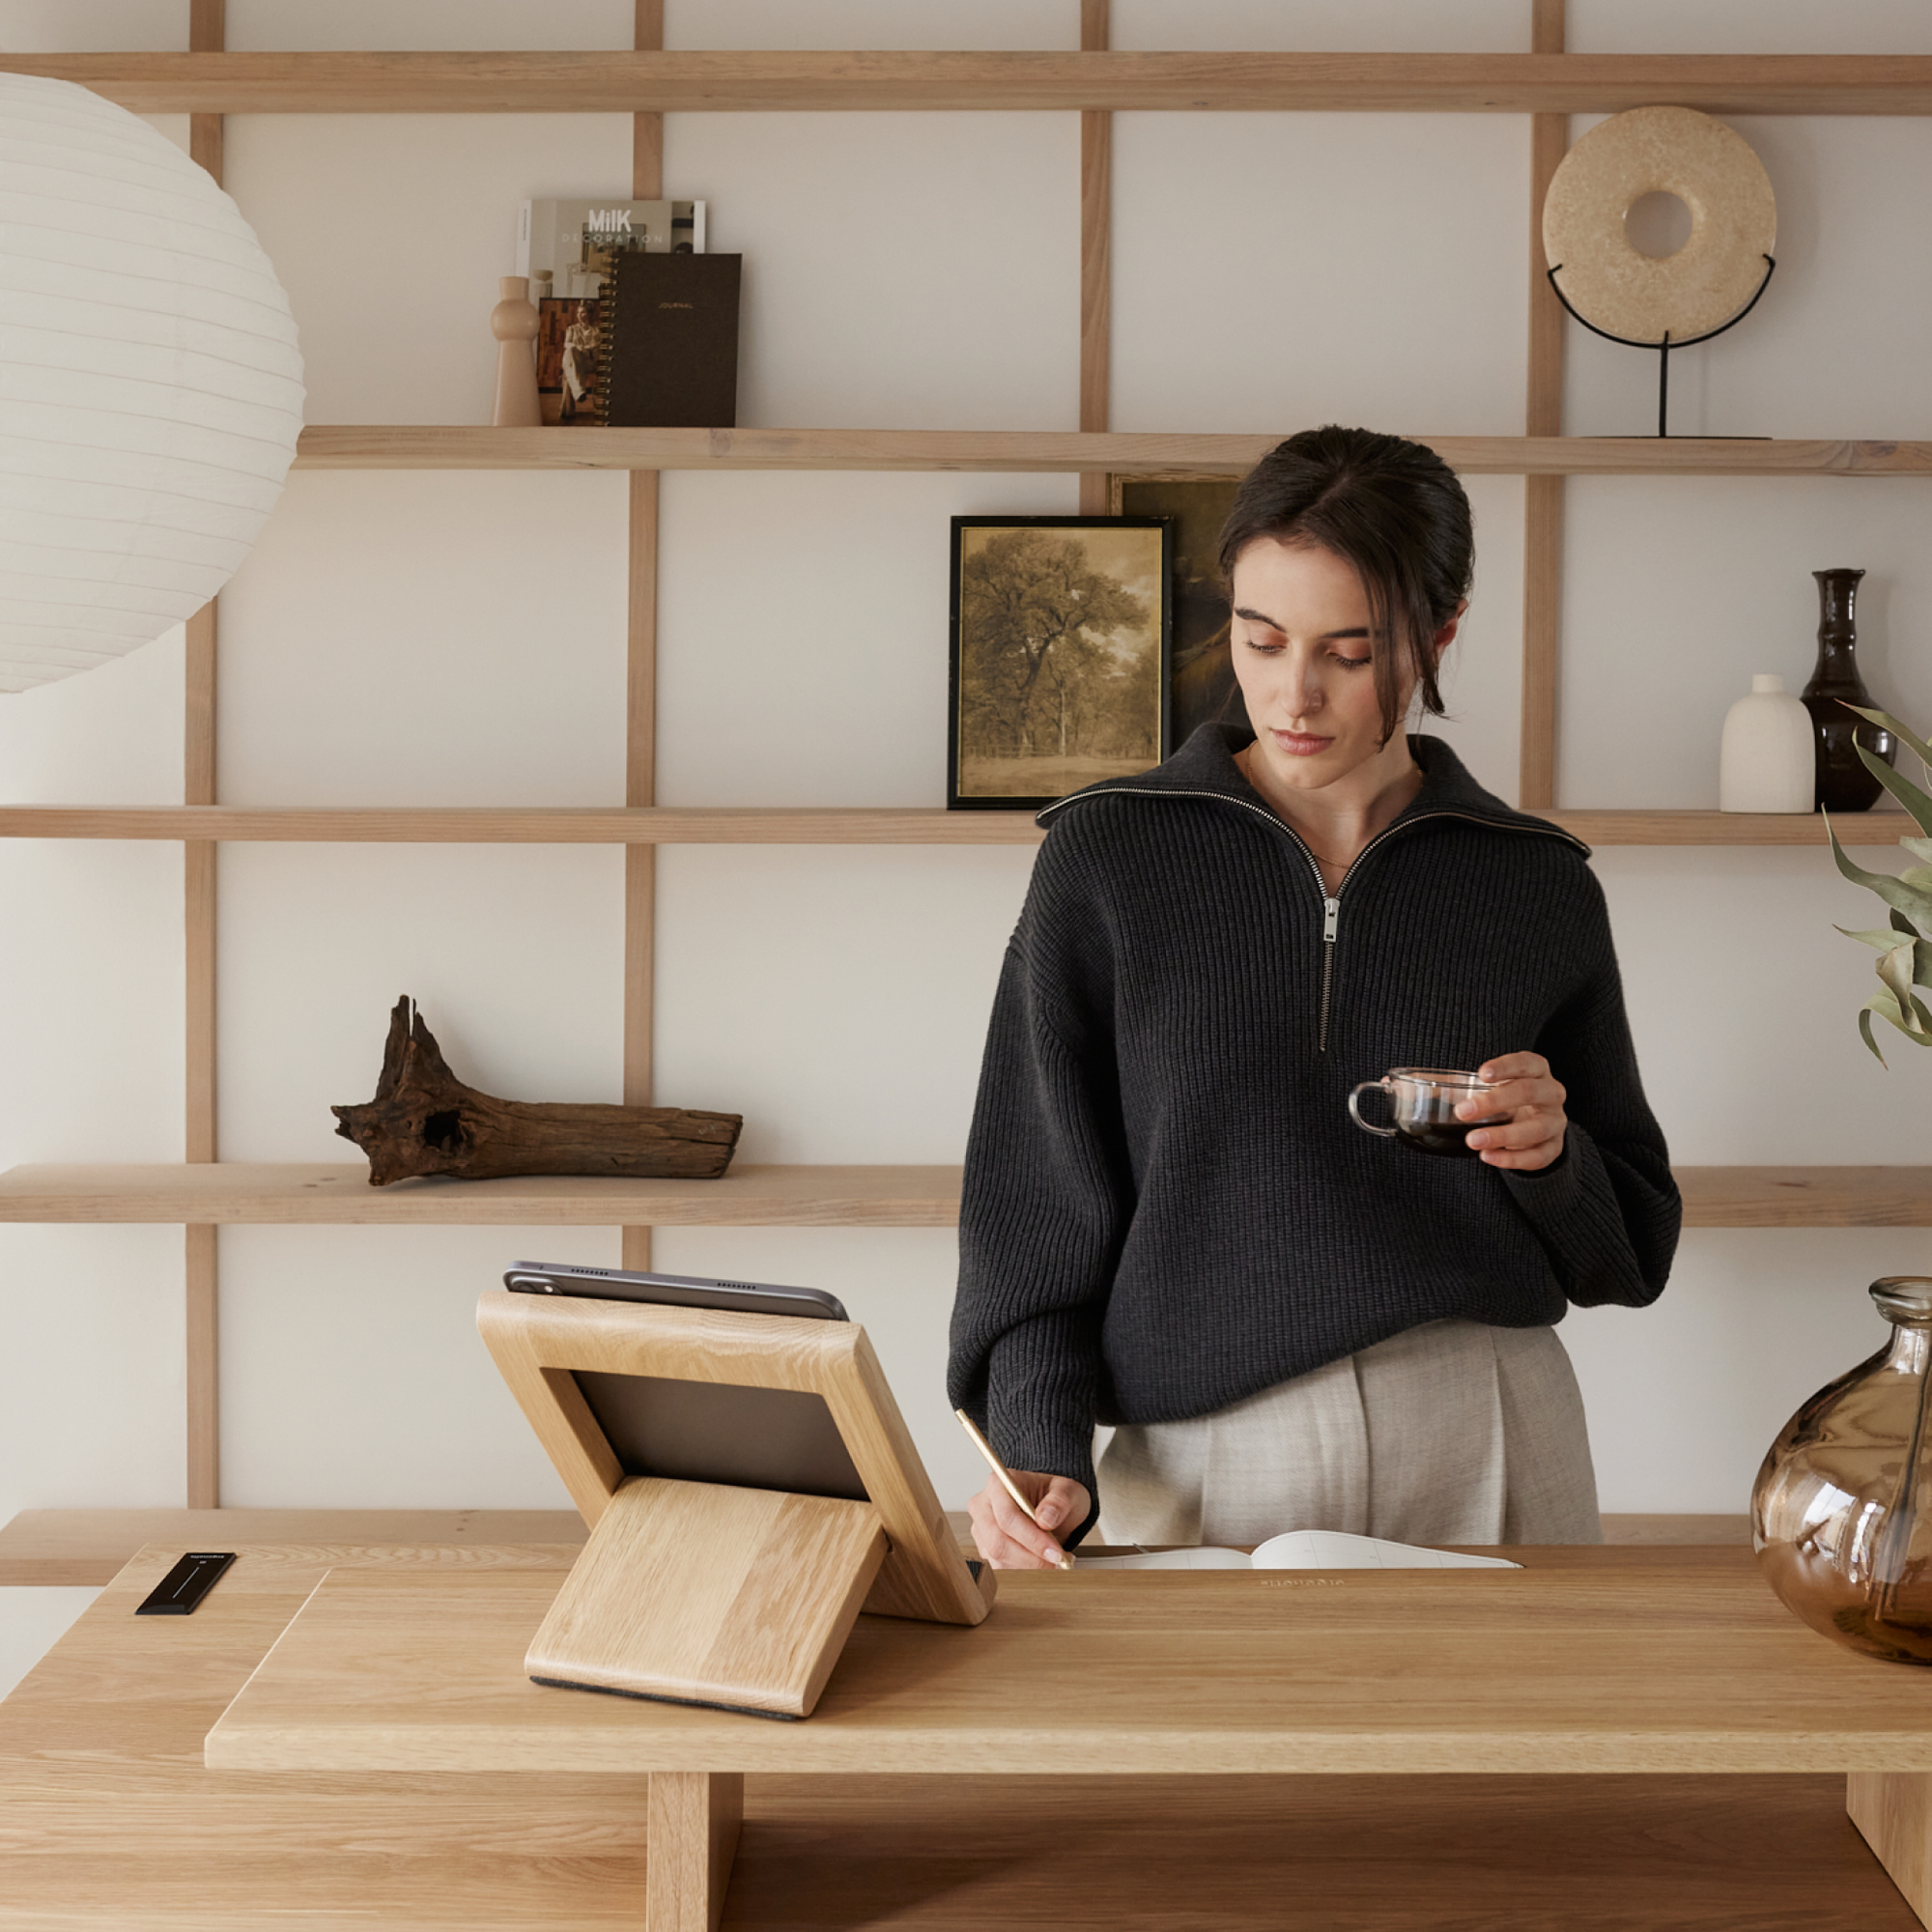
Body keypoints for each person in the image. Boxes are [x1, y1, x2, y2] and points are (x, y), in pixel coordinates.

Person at [948, 426, 1681, 1570]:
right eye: (1260, 638)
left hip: (1484, 1425)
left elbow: (1626, 1251)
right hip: (1204, 1448)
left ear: (1437, 636)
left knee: (1513, 1759)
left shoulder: (1532, 880)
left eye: (1349, 652)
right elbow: (1034, 1210)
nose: (1294, 694)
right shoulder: (1107, 858)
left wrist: (1553, 1156)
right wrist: (1034, 1445)